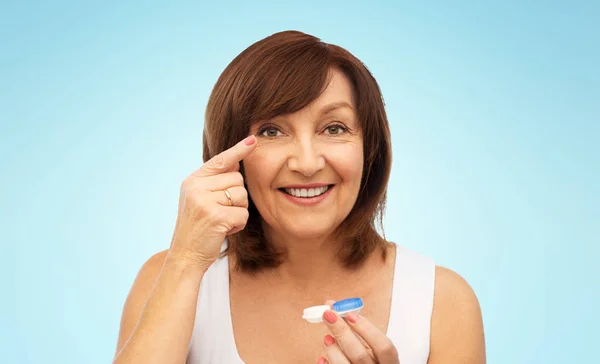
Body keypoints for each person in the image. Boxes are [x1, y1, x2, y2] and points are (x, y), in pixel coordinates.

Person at [113, 30, 486, 364]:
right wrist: (186, 259)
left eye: (334, 128)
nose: (307, 163)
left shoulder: (443, 302)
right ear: (229, 154)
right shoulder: (168, 280)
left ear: (368, 148)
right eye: (272, 131)